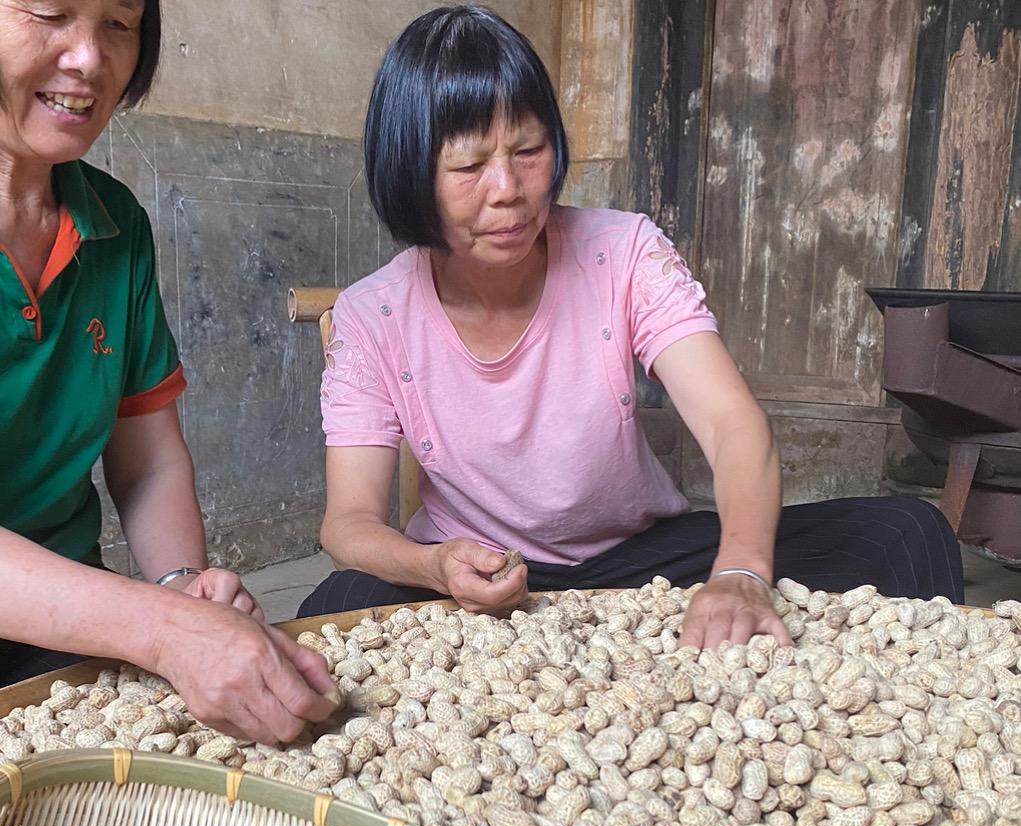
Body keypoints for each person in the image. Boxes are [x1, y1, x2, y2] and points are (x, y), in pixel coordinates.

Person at [300, 3, 964, 646]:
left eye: (528, 150)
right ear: (410, 173)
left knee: (907, 531)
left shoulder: (621, 253)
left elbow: (732, 425)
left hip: (639, 561)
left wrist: (738, 572)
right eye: (470, 166)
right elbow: (350, 522)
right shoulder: (371, 314)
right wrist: (434, 564)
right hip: (472, 575)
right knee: (331, 609)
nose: (507, 188)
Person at [0, 0, 334, 742]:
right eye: (51, 11)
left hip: (67, 623)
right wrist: (161, 627)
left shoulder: (113, 223)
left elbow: (147, 460)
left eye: (119, 24)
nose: (89, 58)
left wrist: (183, 585)